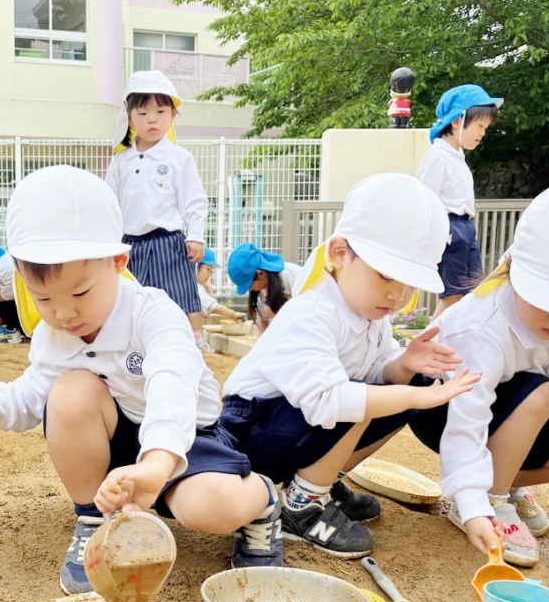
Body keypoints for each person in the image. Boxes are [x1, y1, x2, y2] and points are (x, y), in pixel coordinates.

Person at [0, 166, 282, 595]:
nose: (64, 314)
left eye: (81, 293)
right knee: (68, 392)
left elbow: (172, 383)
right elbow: (38, 386)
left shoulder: (153, 312)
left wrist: (158, 462)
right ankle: (95, 519)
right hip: (120, 432)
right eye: (44, 299)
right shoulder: (56, 334)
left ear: (118, 262)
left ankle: (263, 500)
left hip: (184, 433)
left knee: (209, 508)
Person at [219, 174, 480, 558]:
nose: (398, 294)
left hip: (293, 426)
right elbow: (330, 400)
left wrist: (404, 365)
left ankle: (321, 481)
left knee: (401, 388)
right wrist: (413, 395)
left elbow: (378, 372)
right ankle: (302, 505)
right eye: (386, 275)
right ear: (340, 253)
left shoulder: (372, 313)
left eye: (410, 284)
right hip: (251, 431)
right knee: (361, 396)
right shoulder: (312, 313)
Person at [410, 180, 549, 567]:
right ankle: (489, 498)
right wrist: (471, 501)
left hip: (512, 410)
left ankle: (505, 481)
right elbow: (467, 422)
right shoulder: (482, 328)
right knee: (542, 394)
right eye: (545, 299)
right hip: (443, 409)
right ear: (513, 268)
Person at [104, 71, 210, 349]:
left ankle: (194, 341)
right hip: (129, 246)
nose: (152, 119)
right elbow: (109, 202)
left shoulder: (178, 158)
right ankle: (136, 343)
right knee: (130, 297)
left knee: (181, 293)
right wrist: (107, 241)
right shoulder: (121, 161)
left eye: (160, 111)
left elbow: (195, 199)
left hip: (168, 241)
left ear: (173, 115)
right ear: (129, 117)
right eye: (142, 113)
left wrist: (195, 235)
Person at [417, 84, 503, 319]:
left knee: (473, 292)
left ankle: (454, 346)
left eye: (486, 127)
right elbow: (425, 200)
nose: (482, 133)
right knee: (452, 297)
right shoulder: (437, 157)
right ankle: (428, 344)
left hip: (464, 228)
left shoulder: (456, 156)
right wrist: (438, 235)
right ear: (457, 121)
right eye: (480, 126)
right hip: (449, 229)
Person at [226, 243, 303, 334]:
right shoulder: (261, 289)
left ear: (261, 273)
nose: (250, 290)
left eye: (250, 285)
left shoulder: (290, 276)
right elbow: (261, 322)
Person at [196, 247, 247, 324]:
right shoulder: (193, 287)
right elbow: (213, 307)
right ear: (195, 267)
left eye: (211, 271)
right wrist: (233, 314)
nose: (209, 274)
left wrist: (209, 289)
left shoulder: (198, 287)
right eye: (208, 269)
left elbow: (207, 314)